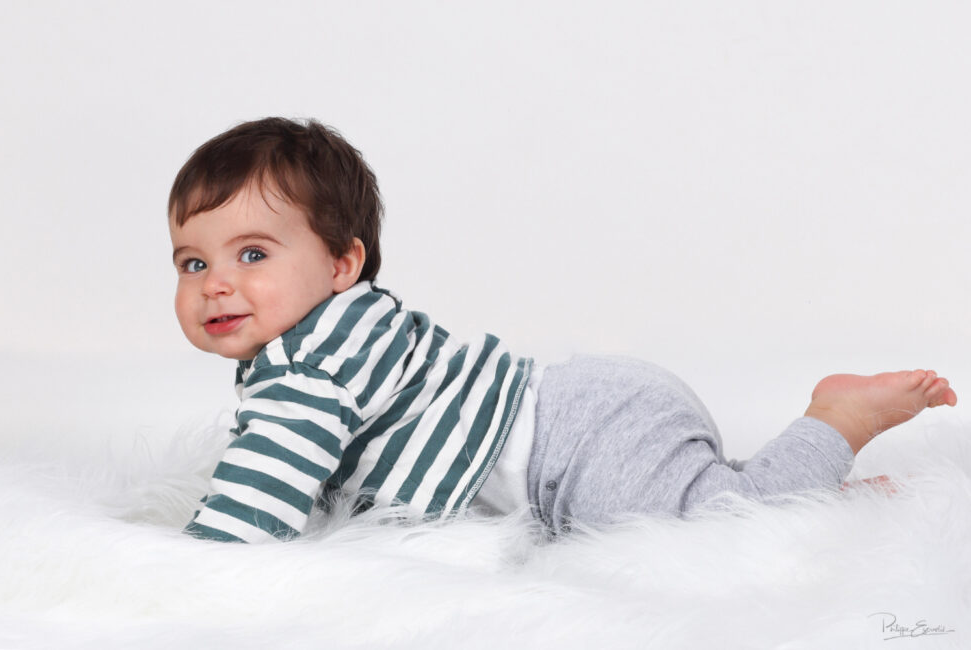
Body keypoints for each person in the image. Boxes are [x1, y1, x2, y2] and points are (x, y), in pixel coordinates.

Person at [168, 117, 958, 543]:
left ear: (343, 263)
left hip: (568, 443)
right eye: (191, 264)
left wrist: (182, 570)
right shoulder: (345, 328)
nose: (217, 285)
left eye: (252, 253)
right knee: (710, 498)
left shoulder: (307, 370)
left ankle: (834, 420)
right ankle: (817, 494)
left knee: (712, 529)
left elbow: (253, 506)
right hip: (584, 408)